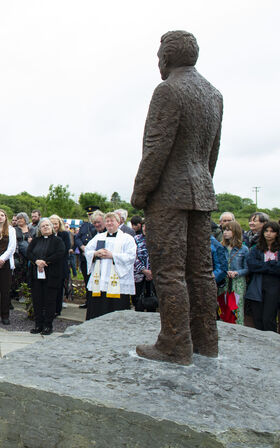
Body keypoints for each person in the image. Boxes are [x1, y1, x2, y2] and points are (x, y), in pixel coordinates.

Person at [131, 30, 223, 364]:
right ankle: (206, 342)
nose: (158, 61)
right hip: (201, 191)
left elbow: (157, 147)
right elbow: (212, 152)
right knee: (200, 272)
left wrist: (141, 190)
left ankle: (174, 345)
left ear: (167, 57)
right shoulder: (213, 94)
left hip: (169, 194)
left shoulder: (168, 90)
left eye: (159, 56)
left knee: (169, 272)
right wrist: (203, 183)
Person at [84, 212, 137, 320]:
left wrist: (113, 256)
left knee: (116, 308)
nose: (109, 223)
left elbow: (131, 256)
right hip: (100, 280)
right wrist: (95, 253)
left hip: (118, 280)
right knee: (98, 308)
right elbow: (88, 251)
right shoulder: (99, 237)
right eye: (107, 221)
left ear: (118, 222)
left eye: (112, 221)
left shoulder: (127, 238)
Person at [27, 219, 66, 335]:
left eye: (48, 225)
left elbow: (60, 253)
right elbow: (29, 252)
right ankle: (38, 325)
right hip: (36, 275)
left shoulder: (58, 241)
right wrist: (36, 261)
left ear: (52, 227)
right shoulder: (36, 240)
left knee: (50, 301)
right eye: (43, 226)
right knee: (37, 300)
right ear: (39, 229)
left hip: (52, 274)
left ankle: (48, 326)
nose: (45, 227)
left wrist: (45, 261)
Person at [245, 221, 280, 332]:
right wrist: (271, 264)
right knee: (258, 318)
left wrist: (262, 266)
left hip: (274, 285)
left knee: (268, 319)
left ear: (277, 233)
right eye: (266, 231)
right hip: (258, 284)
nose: (268, 234)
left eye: (272, 231)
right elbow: (252, 265)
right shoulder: (256, 248)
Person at [220, 221, 249, 325]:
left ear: (235, 232)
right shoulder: (221, 247)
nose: (225, 232)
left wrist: (236, 272)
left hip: (237, 282)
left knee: (236, 308)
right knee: (222, 307)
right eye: (224, 230)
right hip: (223, 282)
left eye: (228, 230)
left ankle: (239, 329)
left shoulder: (244, 249)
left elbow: (247, 268)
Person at [49, 214, 72, 314]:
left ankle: (57, 310)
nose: (54, 226)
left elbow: (66, 249)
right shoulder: (46, 234)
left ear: (59, 224)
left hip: (60, 265)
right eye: (52, 224)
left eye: (56, 224)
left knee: (58, 289)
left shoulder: (64, 234)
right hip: (48, 266)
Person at [133, 224, 152, 309]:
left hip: (153, 275)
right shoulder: (136, 239)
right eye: (144, 226)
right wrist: (143, 270)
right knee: (138, 301)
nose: (145, 228)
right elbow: (133, 256)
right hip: (138, 274)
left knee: (152, 301)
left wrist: (151, 272)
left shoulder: (158, 239)